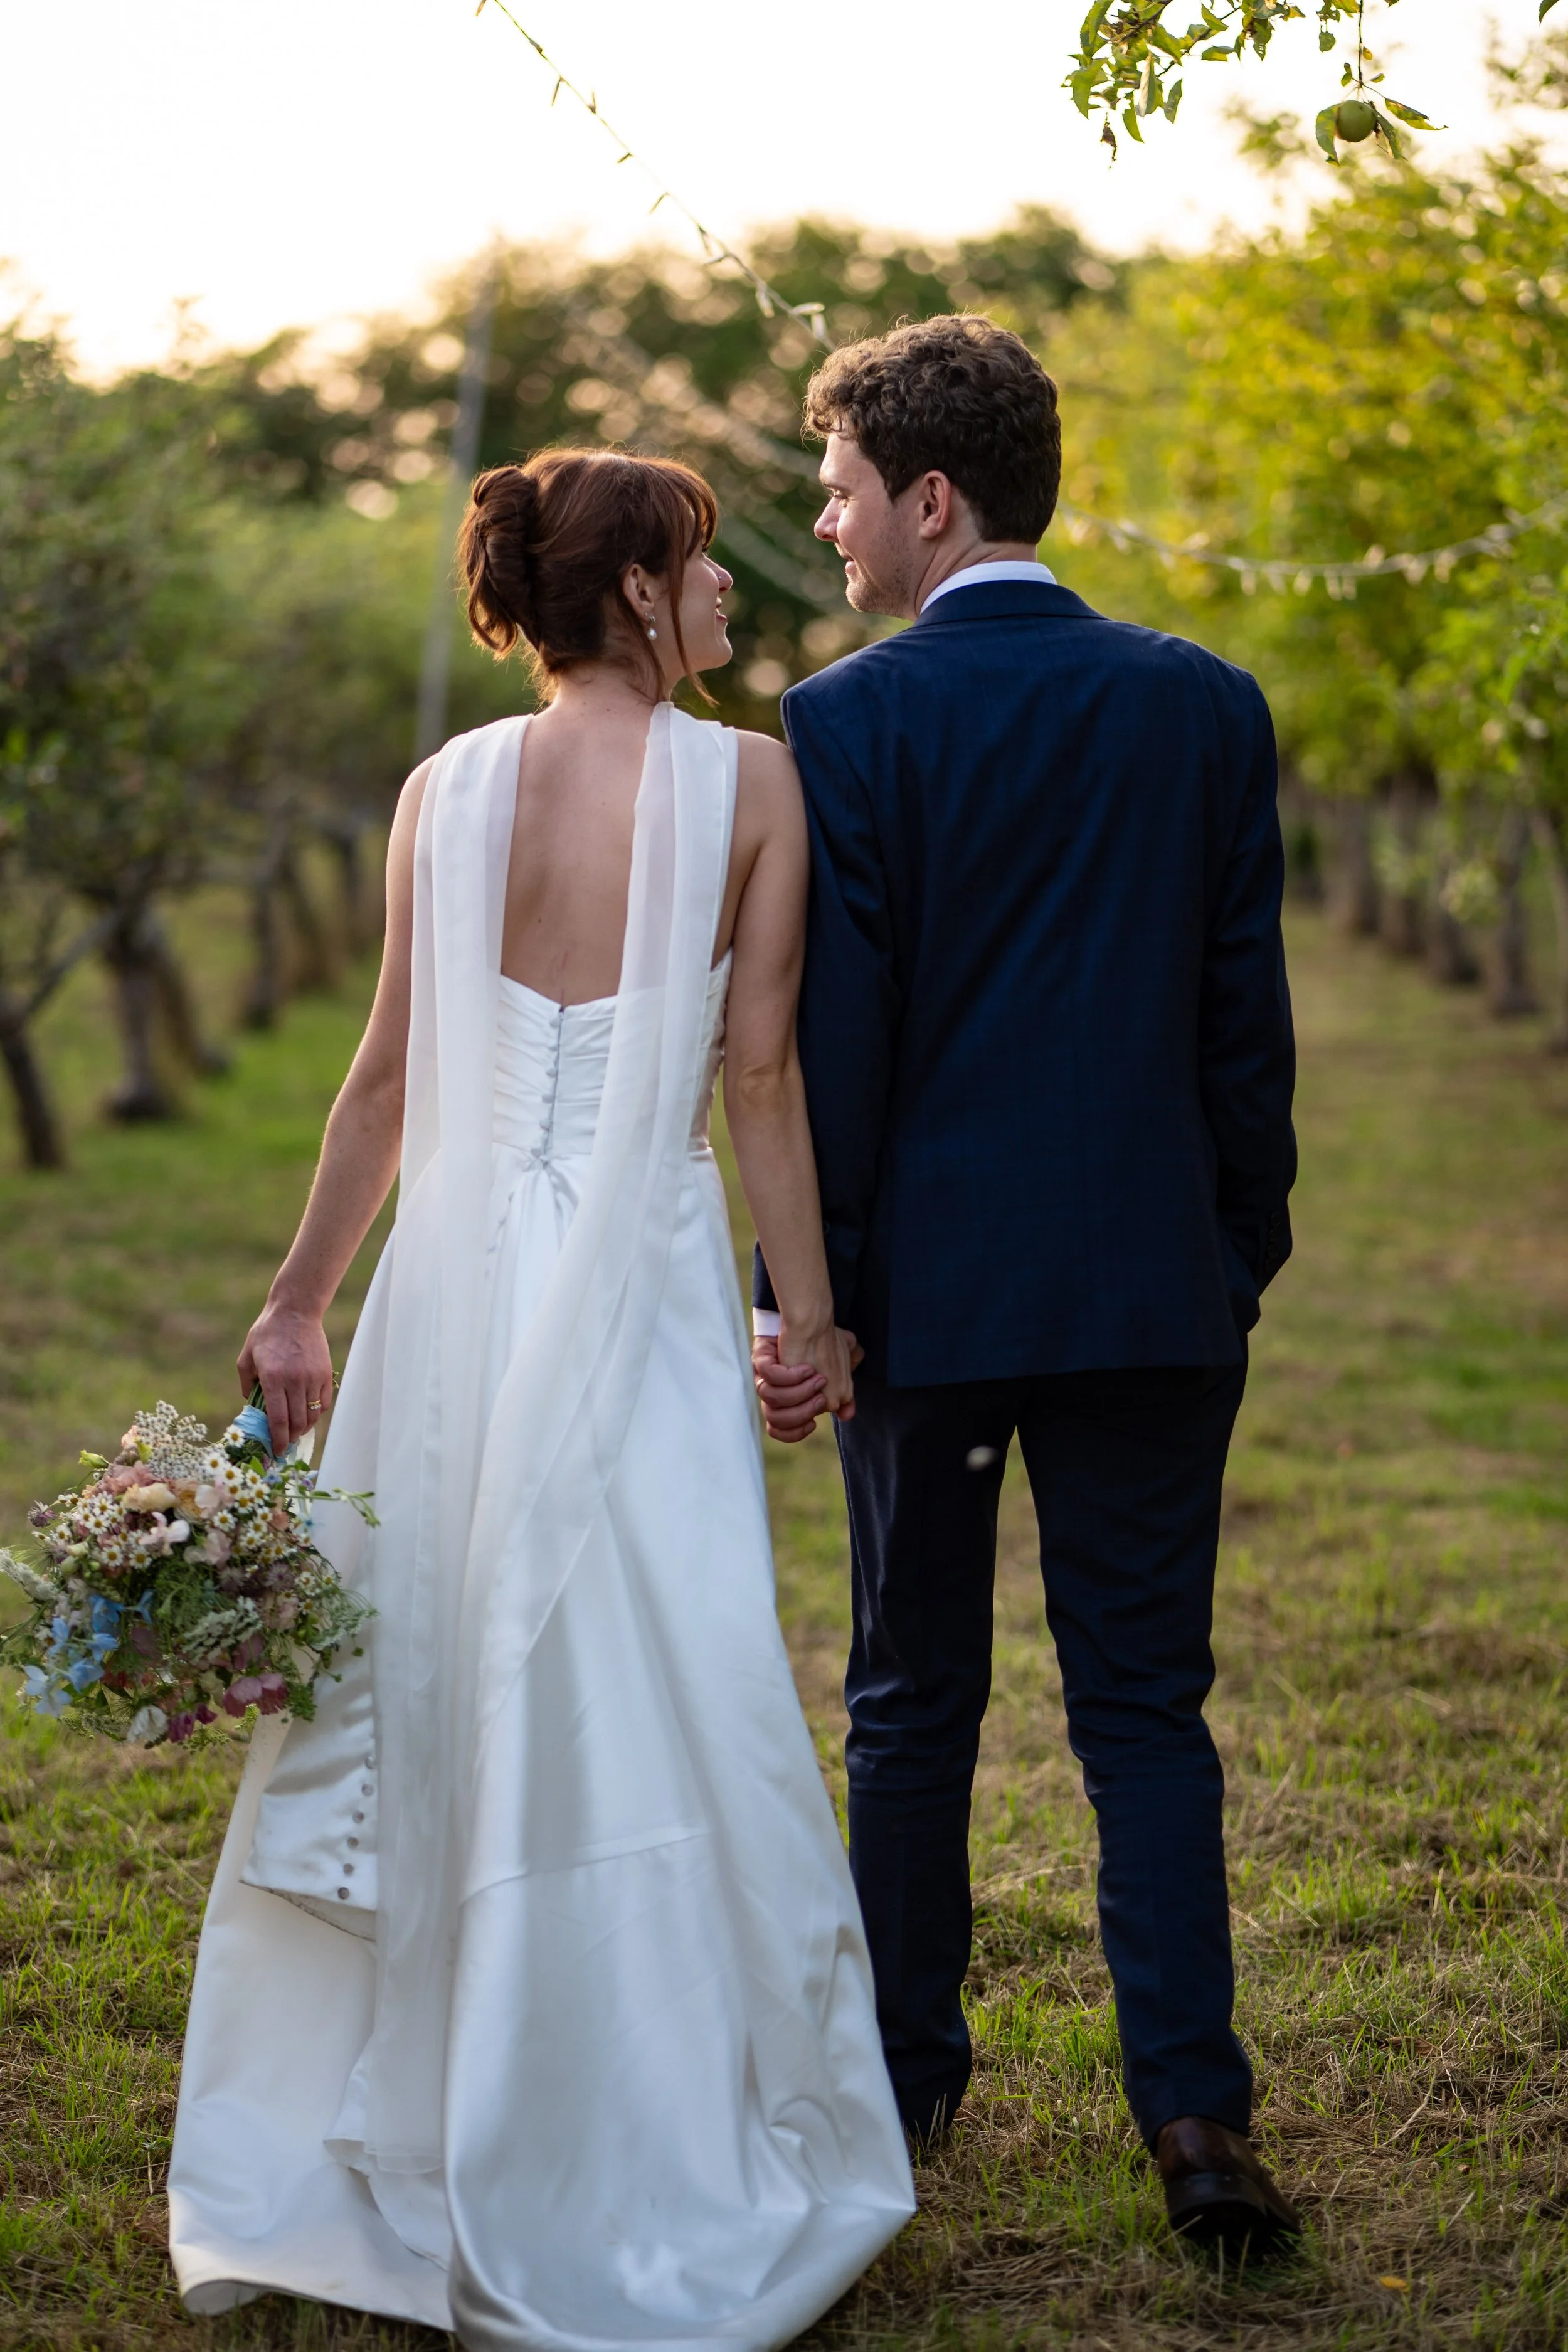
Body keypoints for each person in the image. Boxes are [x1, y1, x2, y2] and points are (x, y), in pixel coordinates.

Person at [168, 448, 914, 2349]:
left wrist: (300, 1296)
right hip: (645, 1280)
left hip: (459, 1278)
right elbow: (757, 1080)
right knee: (653, 1652)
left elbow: (386, 1077)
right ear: (644, 590)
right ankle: (608, 2100)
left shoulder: (450, 784)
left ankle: (408, 2098)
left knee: (424, 1648)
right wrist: (805, 1317)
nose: (739, 586)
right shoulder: (753, 781)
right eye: (707, 563)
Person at [751, 315, 1301, 2254]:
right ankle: (1195, 2120)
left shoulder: (844, 724)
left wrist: (808, 1297)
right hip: (1156, 1286)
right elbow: (1247, 1025)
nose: (823, 531)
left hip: (925, 1307)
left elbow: (839, 1046)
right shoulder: (1206, 702)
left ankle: (900, 2092)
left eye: (834, 494)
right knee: (1146, 1707)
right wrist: (1237, 1248)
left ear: (927, 497)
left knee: (910, 1699)